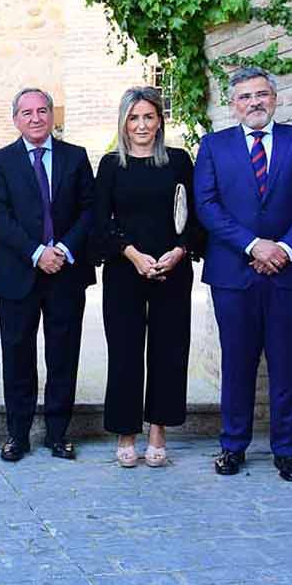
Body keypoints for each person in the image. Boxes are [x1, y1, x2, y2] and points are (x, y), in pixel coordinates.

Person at [194, 67, 292, 482]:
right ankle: (233, 445)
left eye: (261, 94)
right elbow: (207, 205)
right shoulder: (214, 146)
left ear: (275, 98)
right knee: (237, 364)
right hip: (234, 274)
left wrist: (284, 249)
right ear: (233, 104)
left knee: (288, 364)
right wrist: (254, 245)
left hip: (291, 272)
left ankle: (286, 450)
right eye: (245, 96)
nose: (254, 102)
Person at [0, 87, 96, 463]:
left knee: (63, 355)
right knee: (17, 356)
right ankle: (17, 435)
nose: (35, 118)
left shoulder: (75, 156)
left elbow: (90, 209)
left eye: (42, 110)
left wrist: (62, 249)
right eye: (27, 112)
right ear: (15, 119)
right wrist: (36, 253)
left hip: (66, 272)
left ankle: (58, 434)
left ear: (52, 114)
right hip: (18, 272)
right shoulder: (0, 160)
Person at [95, 86, 202, 468]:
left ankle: (158, 430)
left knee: (168, 351)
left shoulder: (179, 161)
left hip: (172, 270)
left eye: (148, 117)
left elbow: (195, 215)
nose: (141, 125)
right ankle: (126, 432)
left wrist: (180, 251)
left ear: (159, 121)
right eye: (134, 118)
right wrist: (132, 254)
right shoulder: (111, 165)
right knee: (124, 352)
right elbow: (100, 220)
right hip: (125, 271)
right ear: (124, 122)